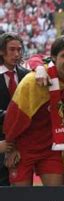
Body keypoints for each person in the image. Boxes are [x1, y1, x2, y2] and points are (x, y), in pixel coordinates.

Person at [4, 36, 64, 186]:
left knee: (57, 199)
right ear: (53, 58)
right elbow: (13, 119)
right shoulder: (33, 81)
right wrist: (11, 148)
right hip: (23, 148)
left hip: (50, 149)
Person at [0, 32, 29, 186]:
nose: (16, 54)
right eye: (12, 50)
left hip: (23, 141)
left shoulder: (27, 75)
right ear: (1, 51)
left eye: (19, 50)